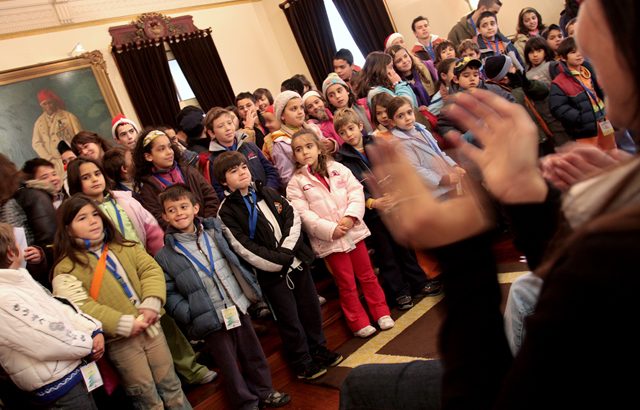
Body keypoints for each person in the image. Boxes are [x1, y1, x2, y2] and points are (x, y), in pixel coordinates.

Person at [341, 1, 639, 408]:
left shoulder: (617, 248)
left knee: (360, 386)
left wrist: (462, 255)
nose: (579, 27)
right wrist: (532, 199)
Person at [154, 184, 291, 409]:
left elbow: (236, 261)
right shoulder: (165, 255)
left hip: (235, 305)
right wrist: (190, 313)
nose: (179, 213)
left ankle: (264, 390)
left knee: (252, 353)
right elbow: (169, 292)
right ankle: (246, 402)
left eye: (183, 206)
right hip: (208, 316)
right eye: (172, 210)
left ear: (195, 208)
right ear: (164, 216)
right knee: (229, 364)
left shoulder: (214, 232)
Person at [52, 195, 191, 409]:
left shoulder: (124, 246)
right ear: (68, 229)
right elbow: (82, 307)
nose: (93, 221)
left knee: (172, 386)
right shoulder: (66, 268)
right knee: (146, 398)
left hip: (152, 327)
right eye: (82, 218)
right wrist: (123, 323)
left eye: (95, 214)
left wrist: (151, 302)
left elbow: (150, 270)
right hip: (120, 342)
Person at [214, 152, 343, 380]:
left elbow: (292, 217)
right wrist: (278, 261)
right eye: (233, 171)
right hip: (271, 273)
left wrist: (286, 251)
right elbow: (243, 247)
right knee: (289, 318)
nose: (242, 172)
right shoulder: (226, 212)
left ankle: (318, 348)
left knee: (310, 308)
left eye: (243, 167)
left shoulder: (266, 190)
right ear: (223, 181)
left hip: (295, 261)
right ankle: (302, 361)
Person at [286, 130, 393, 338]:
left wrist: (351, 217)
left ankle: (381, 312)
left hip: (353, 231)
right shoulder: (295, 183)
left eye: (309, 146)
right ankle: (358, 322)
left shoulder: (337, 168)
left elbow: (355, 192)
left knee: (368, 275)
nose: (305, 152)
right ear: (294, 155)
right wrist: (331, 229)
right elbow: (303, 214)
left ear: (318, 148)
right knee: (346, 283)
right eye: (298, 150)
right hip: (330, 240)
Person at [333, 108, 437, 309]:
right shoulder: (342, 159)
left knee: (405, 245)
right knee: (386, 253)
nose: (349, 135)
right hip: (374, 212)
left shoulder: (378, 144)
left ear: (360, 126)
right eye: (343, 132)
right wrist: (372, 202)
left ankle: (419, 283)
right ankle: (399, 292)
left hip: (396, 204)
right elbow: (349, 188)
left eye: (351, 128)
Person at [0, 222, 103, 409]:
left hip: (72, 371)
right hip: (58, 386)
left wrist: (93, 329)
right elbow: (43, 337)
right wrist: (88, 344)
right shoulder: (4, 298)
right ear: (10, 252)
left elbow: (58, 307)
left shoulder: (19, 279)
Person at [67, 157, 165, 256]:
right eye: (85, 177)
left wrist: (161, 257)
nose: (94, 179)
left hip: (144, 258)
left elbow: (152, 230)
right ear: (76, 182)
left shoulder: (125, 200)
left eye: (97, 174)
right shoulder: (82, 214)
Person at [132, 129, 219, 230]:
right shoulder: (148, 189)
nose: (169, 152)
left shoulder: (189, 171)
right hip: (179, 239)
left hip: (208, 228)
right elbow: (158, 218)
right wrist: (184, 230)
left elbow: (210, 196)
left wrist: (206, 223)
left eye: (169, 146)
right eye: (161, 149)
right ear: (148, 156)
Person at [0, 154, 57, 288]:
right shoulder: (5, 201)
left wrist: (39, 256)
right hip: (14, 280)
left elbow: (51, 243)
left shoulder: (31, 196)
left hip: (40, 278)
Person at [549, 37, 615, 149]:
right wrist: (580, 118)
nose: (579, 54)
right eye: (573, 52)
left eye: (580, 50)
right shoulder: (559, 82)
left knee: (611, 150)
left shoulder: (588, 70)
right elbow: (557, 107)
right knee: (593, 159)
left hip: (603, 119)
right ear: (563, 58)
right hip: (585, 128)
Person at [201, 107, 281, 199]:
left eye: (229, 123)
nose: (227, 128)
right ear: (212, 133)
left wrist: (267, 191)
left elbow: (271, 171)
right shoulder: (213, 160)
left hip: (267, 196)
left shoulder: (250, 146)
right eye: (221, 126)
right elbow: (218, 191)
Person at [269, 91, 334, 185]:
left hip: (330, 176)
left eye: (301, 107)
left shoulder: (313, 128)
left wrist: (331, 145)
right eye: (293, 109)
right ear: (282, 115)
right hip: (308, 186)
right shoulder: (280, 142)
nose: (300, 112)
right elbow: (288, 177)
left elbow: (326, 154)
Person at [31, 89, 82, 178]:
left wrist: (76, 154)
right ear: (41, 106)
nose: (48, 106)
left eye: (50, 103)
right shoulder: (39, 123)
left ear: (54, 102)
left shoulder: (68, 117)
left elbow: (80, 137)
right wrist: (48, 158)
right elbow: (36, 143)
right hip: (54, 163)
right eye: (44, 104)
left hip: (72, 159)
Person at [386, 44, 437, 110]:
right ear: (394, 66)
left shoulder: (424, 68)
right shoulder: (397, 84)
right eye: (399, 61)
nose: (404, 61)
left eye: (405, 56)